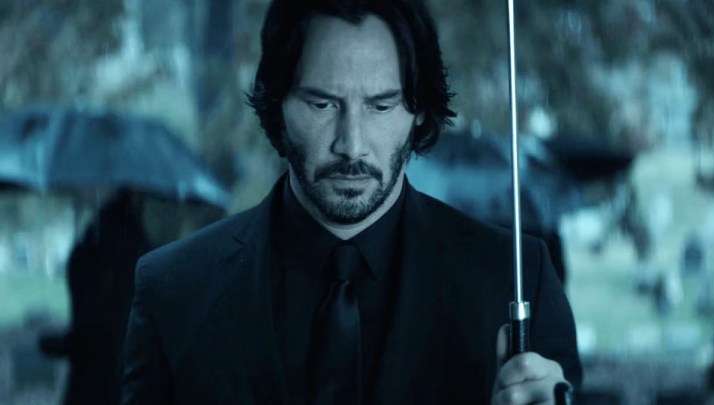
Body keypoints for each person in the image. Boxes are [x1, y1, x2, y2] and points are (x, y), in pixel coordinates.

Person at [121, 0, 582, 403]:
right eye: (322, 104)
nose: (352, 145)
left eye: (381, 106)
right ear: (278, 104)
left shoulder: (517, 281)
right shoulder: (173, 291)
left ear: (419, 110)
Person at [40, 190, 152, 404]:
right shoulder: (145, 255)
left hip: (93, 382)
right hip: (126, 383)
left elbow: (91, 329)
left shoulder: (91, 251)